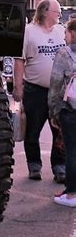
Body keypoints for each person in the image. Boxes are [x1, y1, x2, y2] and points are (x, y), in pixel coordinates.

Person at [13, 0, 66, 181]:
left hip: (59, 92)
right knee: (33, 130)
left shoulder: (61, 31)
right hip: (35, 90)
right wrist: (18, 87)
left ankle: (59, 167)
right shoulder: (29, 31)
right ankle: (34, 165)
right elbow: (20, 61)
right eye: (56, 11)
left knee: (60, 131)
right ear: (44, 12)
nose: (59, 14)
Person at [49, 18, 76, 206]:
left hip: (70, 109)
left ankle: (72, 194)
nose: (64, 36)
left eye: (66, 32)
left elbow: (56, 84)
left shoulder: (64, 54)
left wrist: (53, 111)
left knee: (72, 151)